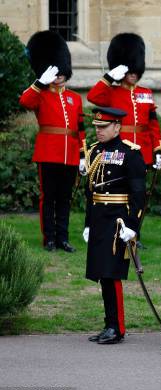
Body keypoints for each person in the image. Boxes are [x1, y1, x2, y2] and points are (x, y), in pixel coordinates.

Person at [83, 107, 146, 344]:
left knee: (112, 273)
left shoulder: (130, 153)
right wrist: (88, 223)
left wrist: (133, 226)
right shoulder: (94, 151)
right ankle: (108, 324)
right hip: (99, 218)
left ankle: (117, 327)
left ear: (117, 127)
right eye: (97, 127)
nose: (98, 131)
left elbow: (139, 193)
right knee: (102, 273)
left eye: (104, 127)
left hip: (119, 220)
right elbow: (90, 192)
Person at [19, 30, 85, 252]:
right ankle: (49, 238)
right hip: (48, 153)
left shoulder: (75, 98)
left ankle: (63, 238)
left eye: (60, 70)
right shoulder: (41, 94)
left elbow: (80, 129)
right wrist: (39, 82)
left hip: (70, 154)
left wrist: (83, 155)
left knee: (65, 200)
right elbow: (25, 101)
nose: (58, 75)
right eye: (54, 70)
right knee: (48, 198)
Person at [87, 33, 161, 170]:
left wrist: (158, 149)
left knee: (139, 188)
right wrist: (109, 77)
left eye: (136, 71)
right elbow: (92, 97)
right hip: (118, 148)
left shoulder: (146, 93)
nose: (134, 74)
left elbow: (153, 125)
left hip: (143, 148)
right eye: (130, 72)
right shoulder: (111, 91)